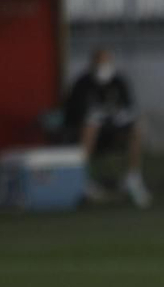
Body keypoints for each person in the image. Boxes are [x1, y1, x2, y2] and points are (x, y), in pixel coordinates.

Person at [63, 48, 152, 208]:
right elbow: (72, 113)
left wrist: (117, 115)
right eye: (100, 62)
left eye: (106, 61)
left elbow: (129, 107)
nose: (103, 66)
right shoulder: (82, 83)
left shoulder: (119, 81)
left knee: (138, 127)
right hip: (87, 135)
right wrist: (92, 116)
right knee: (91, 126)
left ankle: (133, 178)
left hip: (114, 132)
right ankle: (82, 179)